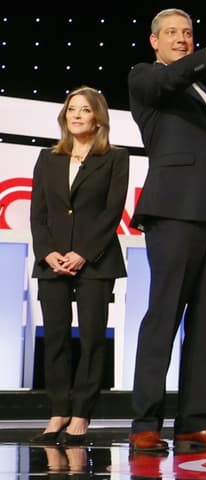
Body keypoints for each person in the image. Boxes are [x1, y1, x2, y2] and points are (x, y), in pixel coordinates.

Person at [126, 8, 206, 452]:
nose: (181, 38)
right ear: (154, 41)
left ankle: (194, 421)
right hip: (175, 212)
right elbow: (171, 79)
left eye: (187, 32)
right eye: (172, 33)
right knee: (164, 315)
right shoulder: (146, 78)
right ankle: (146, 421)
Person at [28, 87, 128, 447]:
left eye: (85, 110)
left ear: (97, 118)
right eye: (72, 109)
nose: (77, 115)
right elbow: (38, 213)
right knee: (55, 337)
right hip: (52, 261)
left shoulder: (115, 158)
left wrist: (83, 252)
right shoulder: (48, 158)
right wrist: (48, 252)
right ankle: (58, 411)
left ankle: (82, 413)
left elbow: (112, 212)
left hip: (95, 261)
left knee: (91, 338)